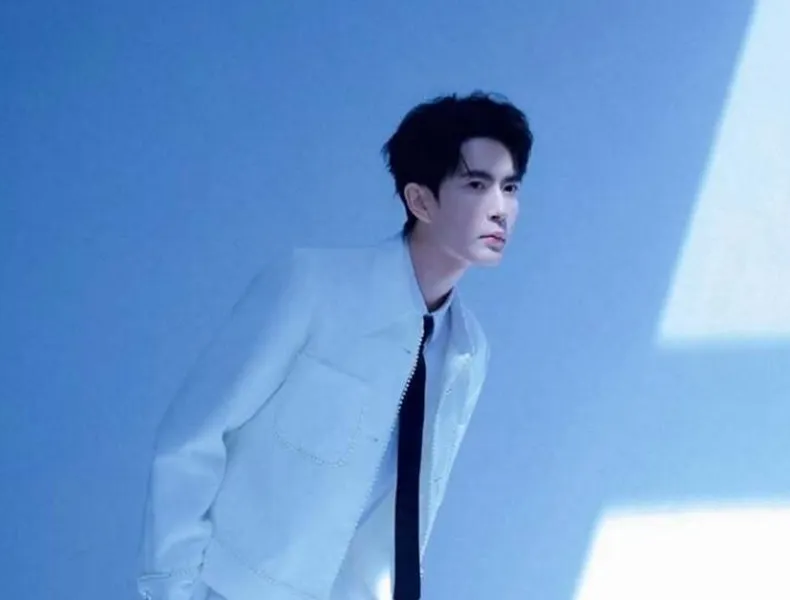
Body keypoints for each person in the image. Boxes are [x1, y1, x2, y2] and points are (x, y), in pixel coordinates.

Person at [138, 91, 533, 600]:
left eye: (510, 187)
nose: (501, 209)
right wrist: (173, 590)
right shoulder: (311, 287)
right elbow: (193, 440)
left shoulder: (467, 350)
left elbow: (413, 507)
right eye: (477, 185)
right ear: (420, 200)